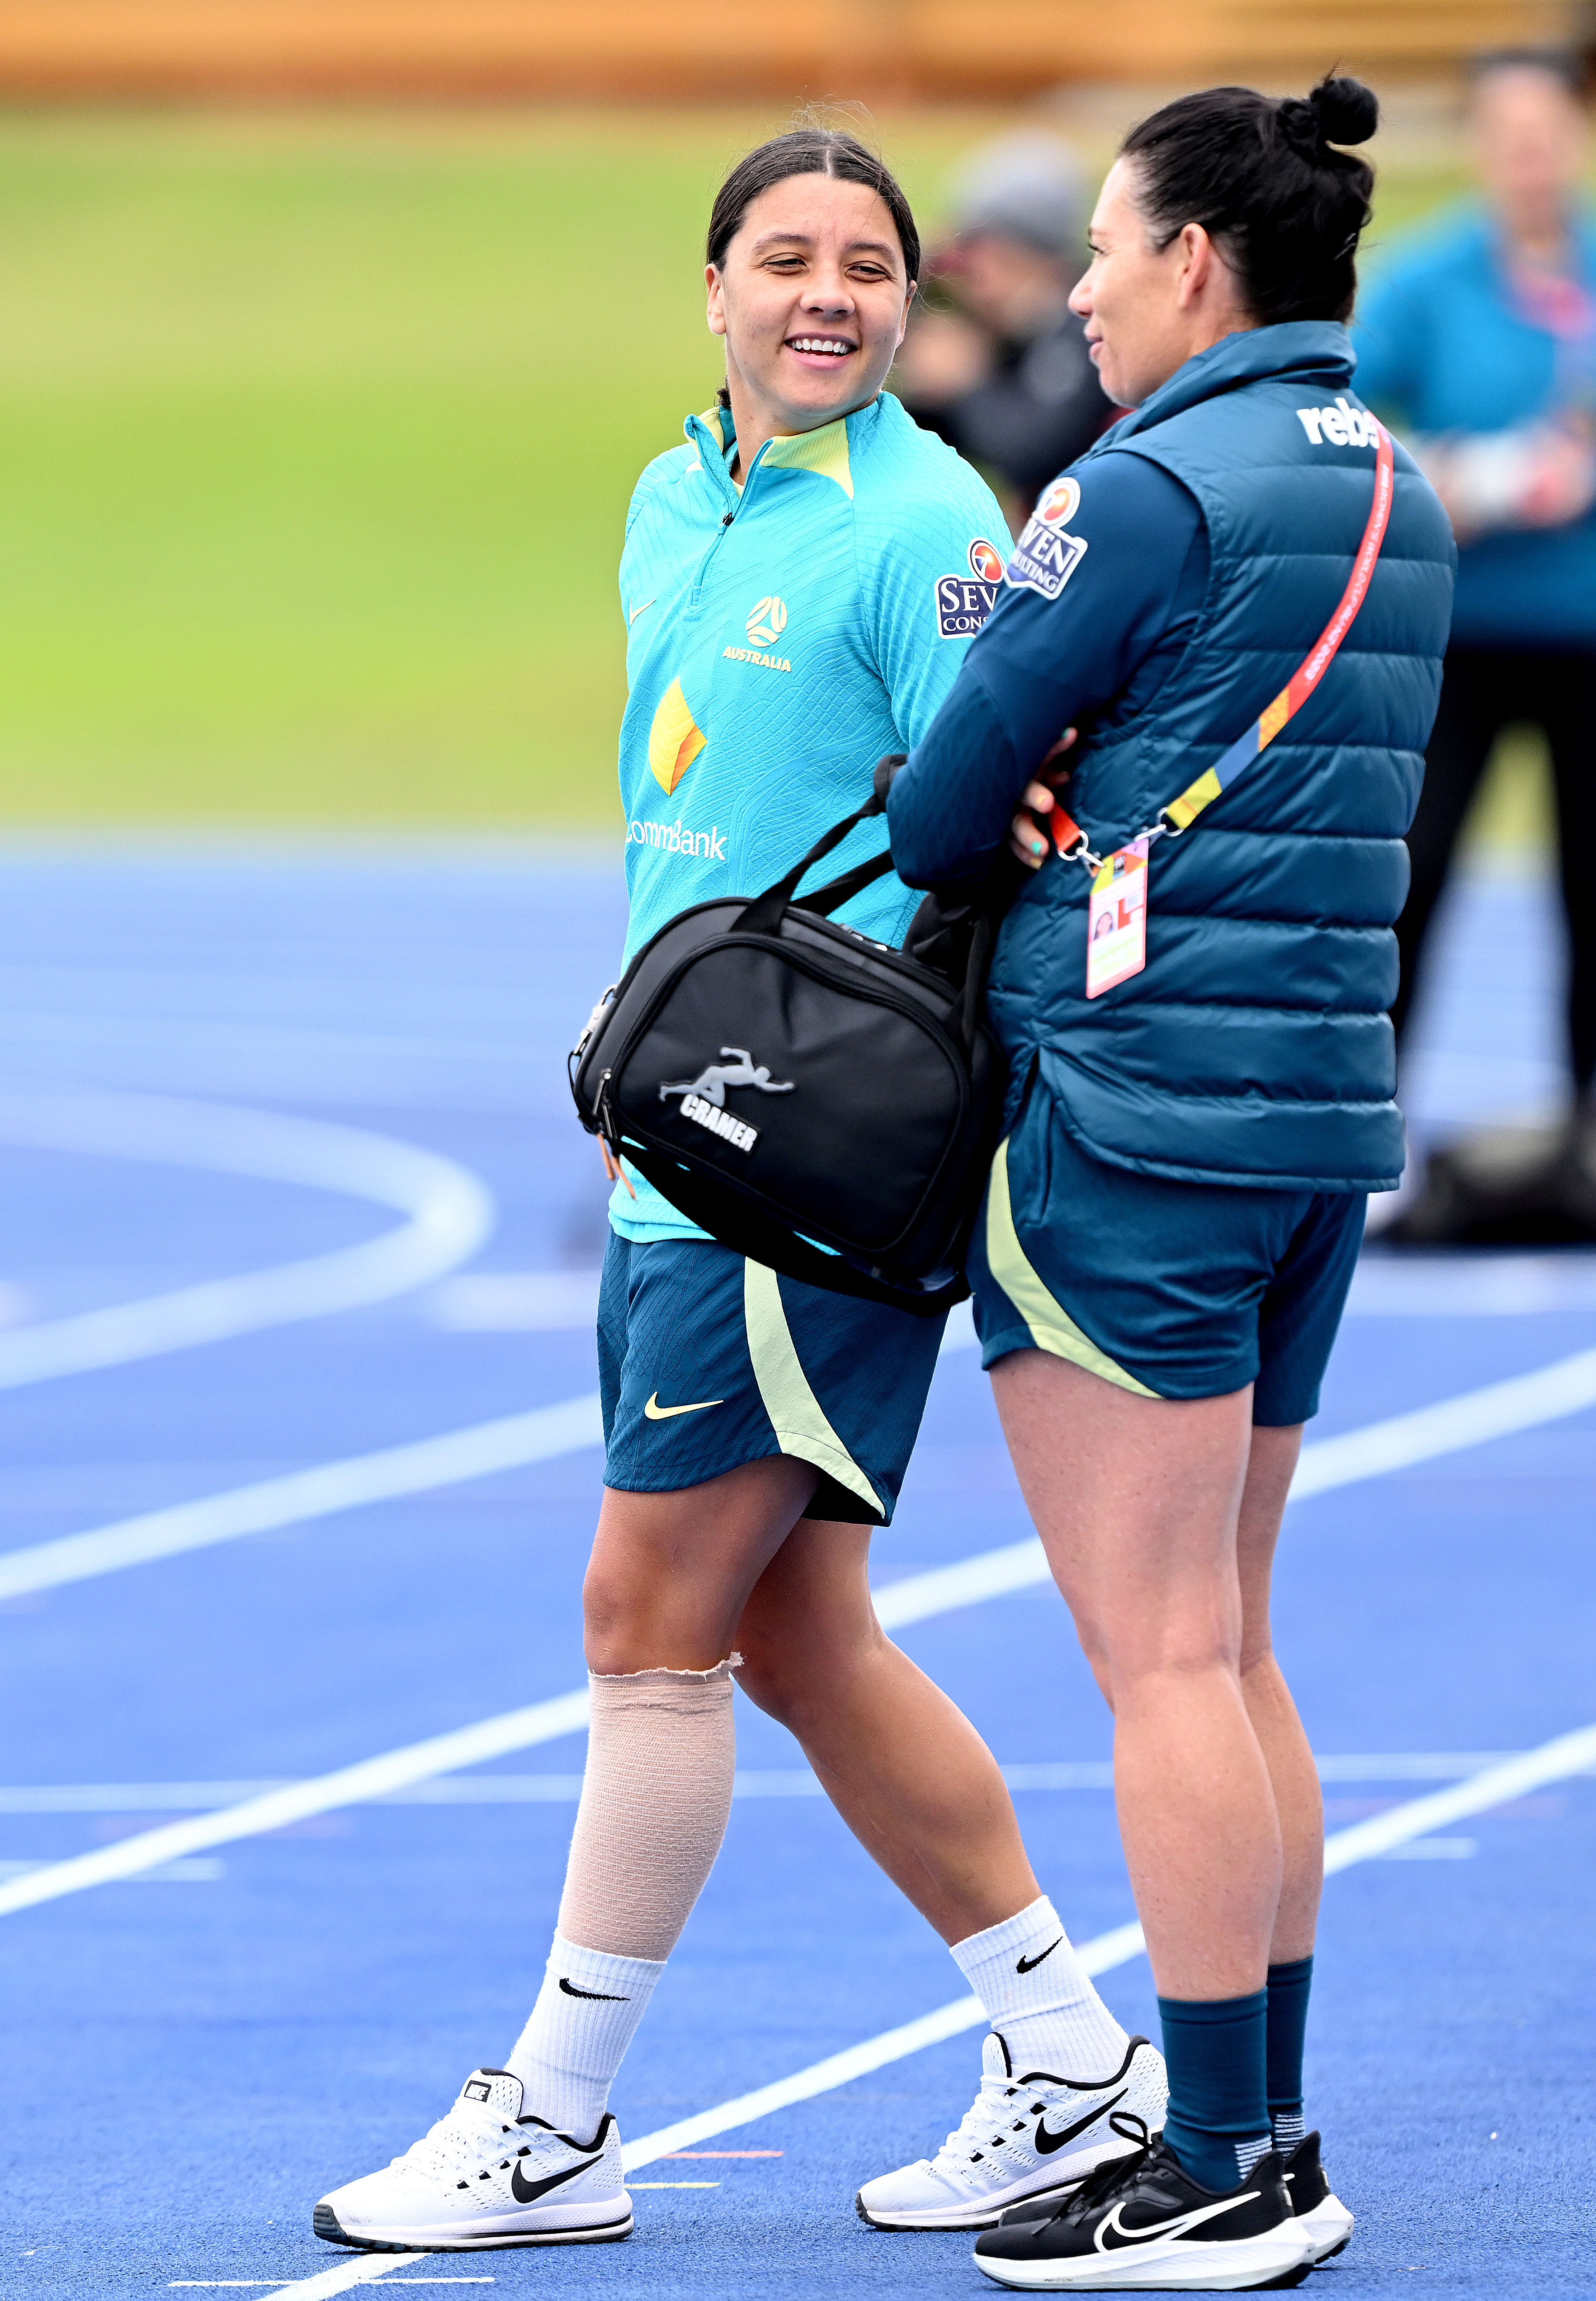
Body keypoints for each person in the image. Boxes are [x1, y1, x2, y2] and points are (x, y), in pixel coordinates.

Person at [312, 127, 1162, 2258]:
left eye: (866, 264)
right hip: (684, 1131)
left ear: (906, 302)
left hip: (806, 1155)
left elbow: (1002, 808)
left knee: (644, 1619)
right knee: (796, 1633)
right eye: (785, 256)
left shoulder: (926, 520)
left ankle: (560, 2112)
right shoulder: (668, 494)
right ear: (711, 289)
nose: (828, 292)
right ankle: (1070, 2055)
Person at [885, 75, 1454, 2291]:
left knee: (1154, 1666)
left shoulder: (1129, 484)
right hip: (1312, 1117)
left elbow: (945, 808)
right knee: (1226, 1645)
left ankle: (1223, 2161)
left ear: (1188, 264)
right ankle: (1260, 2121)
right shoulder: (1392, 482)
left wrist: (1000, 729)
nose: (1085, 292)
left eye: (1106, 252)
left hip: (1126, 1118)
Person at [1355, 47, 1596, 1224]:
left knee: (1591, 888)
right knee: (1418, 875)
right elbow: (1349, 413)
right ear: (1478, 147)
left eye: (1547, 132)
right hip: (1458, 638)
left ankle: (1592, 1120)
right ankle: (1367, 1131)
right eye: (1505, 134)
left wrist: (1585, 480)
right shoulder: (1426, 281)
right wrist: (1452, 475)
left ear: (1583, 140)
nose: (1528, 157)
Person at [894, 130, 1124, 521]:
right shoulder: (1011, 329)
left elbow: (1033, 450)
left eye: (985, 250)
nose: (972, 269)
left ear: (1034, 254)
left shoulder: (1086, 327)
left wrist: (965, 383)